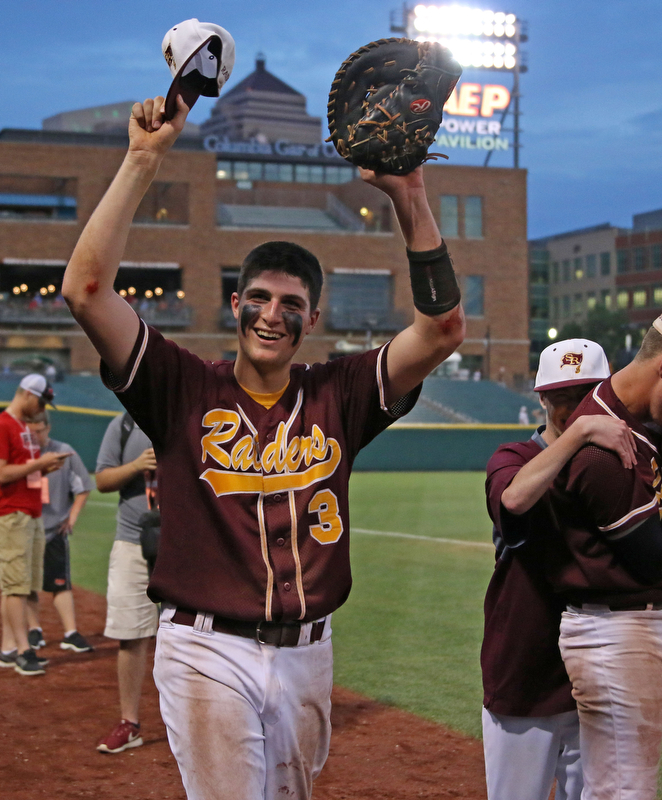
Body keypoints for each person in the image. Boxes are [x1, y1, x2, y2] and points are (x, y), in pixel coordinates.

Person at [60, 91, 464, 800]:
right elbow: (86, 291)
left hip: (310, 652)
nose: (271, 314)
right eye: (258, 298)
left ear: (311, 318)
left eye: (290, 304)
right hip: (206, 646)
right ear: (236, 304)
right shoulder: (180, 386)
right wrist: (143, 159)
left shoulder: (338, 392)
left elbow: (442, 331)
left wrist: (411, 195)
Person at [483, 339, 636, 800]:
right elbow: (513, 498)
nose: (577, 408)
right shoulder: (512, 458)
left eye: (588, 394)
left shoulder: (630, 462)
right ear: (542, 398)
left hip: (603, 674)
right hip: (527, 671)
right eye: (564, 396)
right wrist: (581, 435)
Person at [546, 316, 662, 800]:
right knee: (622, 789)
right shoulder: (600, 447)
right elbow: (652, 556)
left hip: (639, 621)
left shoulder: (642, 420)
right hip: (617, 631)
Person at [95, 412, 158, 754]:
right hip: (133, 541)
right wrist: (137, 465)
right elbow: (102, 480)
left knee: (200, 633)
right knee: (130, 634)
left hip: (187, 544)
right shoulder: (121, 425)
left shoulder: (191, 416)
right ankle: (129, 722)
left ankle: (201, 720)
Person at [0, 374, 69, 675]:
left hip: (31, 512)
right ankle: (23, 651)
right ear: (27, 394)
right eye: (41, 401)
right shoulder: (4, 425)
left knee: (24, 585)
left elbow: (23, 473)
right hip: (12, 513)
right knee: (15, 585)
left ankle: (7, 648)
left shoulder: (24, 430)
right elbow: (1, 474)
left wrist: (45, 468)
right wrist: (40, 464)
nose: (42, 408)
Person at [25, 410, 94, 654]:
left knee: (60, 583)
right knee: (27, 585)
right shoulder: (21, 454)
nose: (34, 437)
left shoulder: (64, 451)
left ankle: (70, 633)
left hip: (54, 530)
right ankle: (34, 630)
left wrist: (71, 518)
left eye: (39, 431)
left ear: (48, 427)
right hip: (26, 530)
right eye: (29, 432)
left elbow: (84, 487)